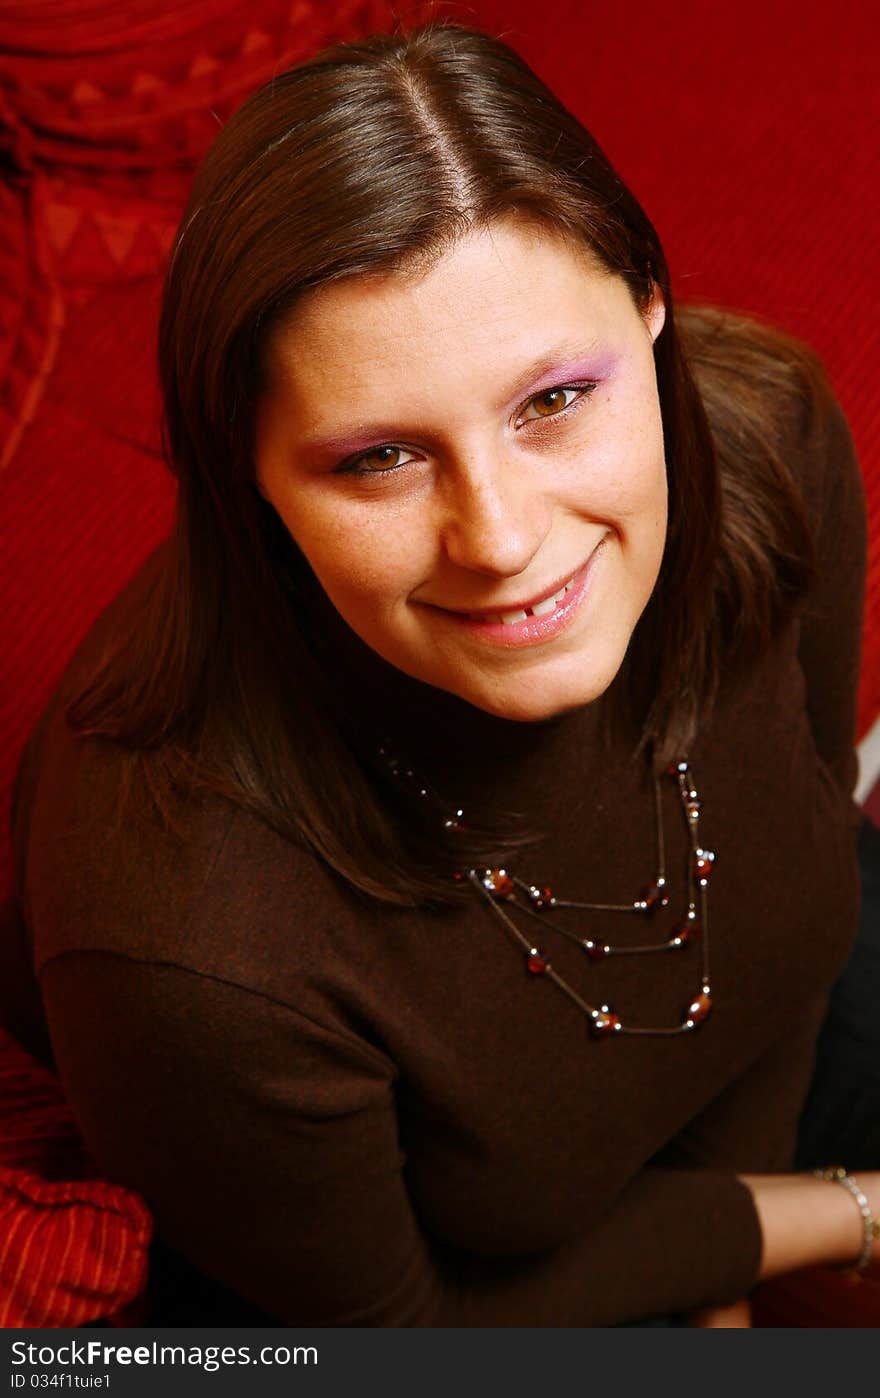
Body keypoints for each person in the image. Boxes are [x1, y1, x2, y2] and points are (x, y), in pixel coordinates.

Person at [4, 22, 878, 1328]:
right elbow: (406, 1323)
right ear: (245, 467)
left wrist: (719, 1248)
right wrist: (819, 1220)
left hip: (747, 1073)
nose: (504, 539)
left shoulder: (765, 441)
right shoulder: (183, 935)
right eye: (378, 459)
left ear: (649, 308)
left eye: (552, 401)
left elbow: (794, 892)